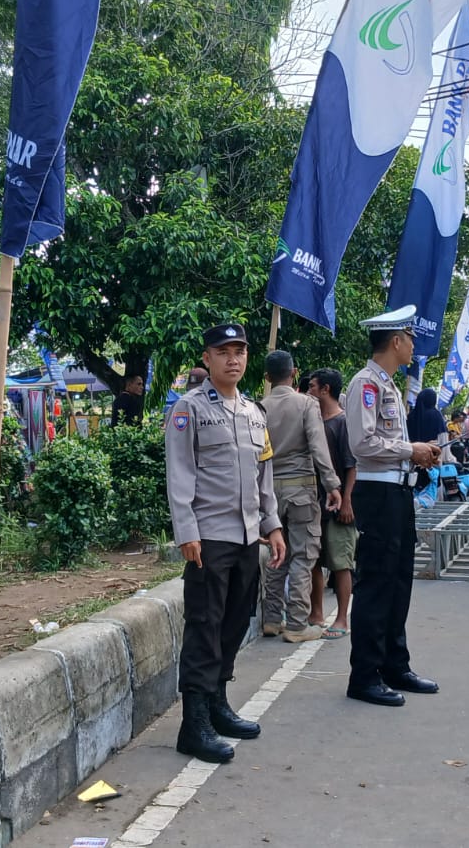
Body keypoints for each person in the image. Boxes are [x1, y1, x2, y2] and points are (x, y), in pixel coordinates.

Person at [165, 323, 287, 764]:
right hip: (209, 538)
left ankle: (217, 704)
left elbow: (264, 478)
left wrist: (272, 526)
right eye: (223, 351)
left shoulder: (256, 414)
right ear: (207, 358)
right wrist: (187, 532)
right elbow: (179, 473)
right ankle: (193, 724)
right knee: (205, 626)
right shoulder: (189, 409)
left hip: (245, 538)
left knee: (236, 622)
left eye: (240, 351)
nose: (233, 359)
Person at [344, 305, 442, 708]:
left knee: (400, 581)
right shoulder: (365, 384)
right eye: (410, 338)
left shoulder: (388, 385)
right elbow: (362, 444)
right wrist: (411, 448)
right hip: (378, 494)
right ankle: (364, 675)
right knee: (376, 584)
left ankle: (394, 665)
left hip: (398, 492)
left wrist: (416, 455)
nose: (413, 345)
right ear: (396, 341)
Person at [258, 351, 341, 644]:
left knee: (276, 555)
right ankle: (295, 623)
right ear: (294, 373)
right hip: (302, 488)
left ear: (267, 377)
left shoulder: (259, 408)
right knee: (303, 557)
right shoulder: (306, 403)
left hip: (269, 492)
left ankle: (271, 619)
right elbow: (319, 447)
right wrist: (332, 484)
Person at [305, 368, 355, 640]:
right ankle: (316, 612)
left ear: (325, 389)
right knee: (314, 558)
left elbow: (352, 466)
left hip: (338, 505)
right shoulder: (312, 421)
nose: (309, 391)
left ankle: (342, 617)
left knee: (340, 561)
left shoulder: (343, 422)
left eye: (313, 386)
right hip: (313, 502)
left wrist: (347, 500)